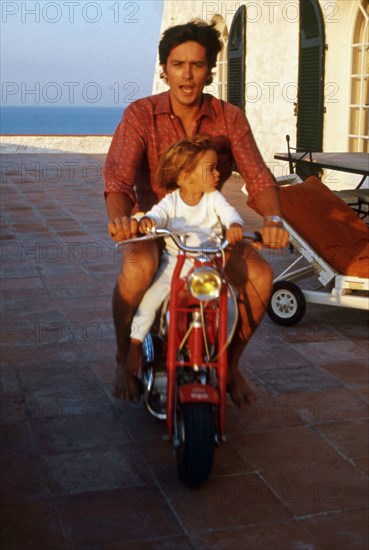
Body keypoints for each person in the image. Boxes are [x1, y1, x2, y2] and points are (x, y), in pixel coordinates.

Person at [103, 19, 289, 409]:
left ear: (209, 70)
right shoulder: (141, 114)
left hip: (209, 226)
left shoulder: (229, 117)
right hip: (154, 223)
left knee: (260, 277)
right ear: (164, 69)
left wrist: (273, 220)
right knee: (137, 270)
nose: (187, 75)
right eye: (178, 64)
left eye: (197, 65)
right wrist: (122, 220)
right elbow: (118, 180)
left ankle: (231, 363)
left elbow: (258, 177)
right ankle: (126, 357)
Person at [124, 135, 245, 378]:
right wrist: (149, 221)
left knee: (230, 309)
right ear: (185, 176)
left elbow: (229, 212)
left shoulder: (213, 199)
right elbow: (158, 214)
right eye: (210, 169)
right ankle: (134, 348)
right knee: (148, 302)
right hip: (175, 267)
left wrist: (234, 225)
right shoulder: (171, 202)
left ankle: (223, 355)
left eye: (217, 169)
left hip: (208, 267)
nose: (218, 174)